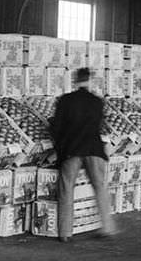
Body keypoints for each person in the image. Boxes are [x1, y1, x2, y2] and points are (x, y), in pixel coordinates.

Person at [50, 67, 116, 243]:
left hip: (72, 149)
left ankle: (65, 232)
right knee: (100, 186)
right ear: (89, 80)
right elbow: (101, 125)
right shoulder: (97, 101)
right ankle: (108, 227)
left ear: (75, 80)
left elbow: (56, 127)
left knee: (66, 189)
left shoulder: (65, 100)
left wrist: (58, 148)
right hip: (94, 148)